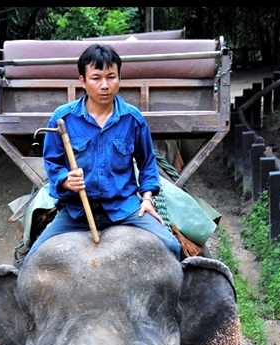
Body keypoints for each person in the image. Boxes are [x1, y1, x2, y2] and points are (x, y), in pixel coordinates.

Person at [22, 43, 182, 263]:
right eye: (96, 78)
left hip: (123, 209)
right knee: (33, 259)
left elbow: (147, 164)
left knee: (171, 246)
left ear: (119, 78)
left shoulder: (132, 119)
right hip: (76, 211)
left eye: (111, 77)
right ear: (83, 81)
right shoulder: (63, 119)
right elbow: (52, 162)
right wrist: (65, 180)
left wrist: (146, 199)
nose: (105, 85)